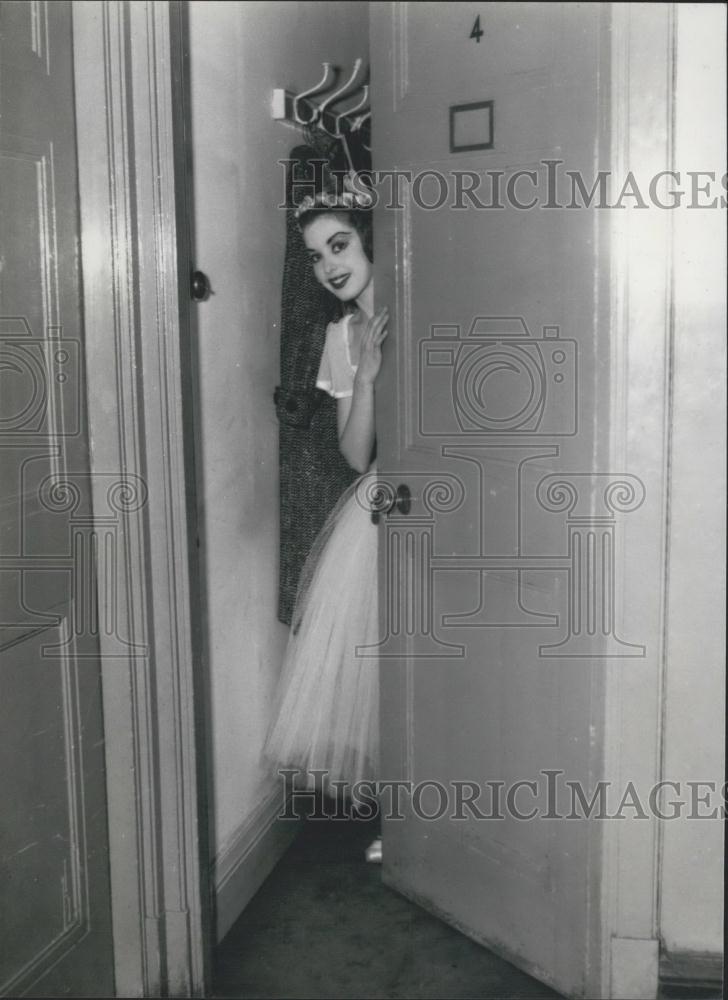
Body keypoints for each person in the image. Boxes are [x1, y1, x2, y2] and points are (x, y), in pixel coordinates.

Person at [264, 185, 388, 861]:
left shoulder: (428, 304)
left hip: (450, 505)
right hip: (381, 507)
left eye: (339, 244)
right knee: (383, 674)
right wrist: (366, 377)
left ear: (369, 238)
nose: (328, 265)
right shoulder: (341, 336)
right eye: (315, 256)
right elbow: (352, 452)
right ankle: (404, 827)